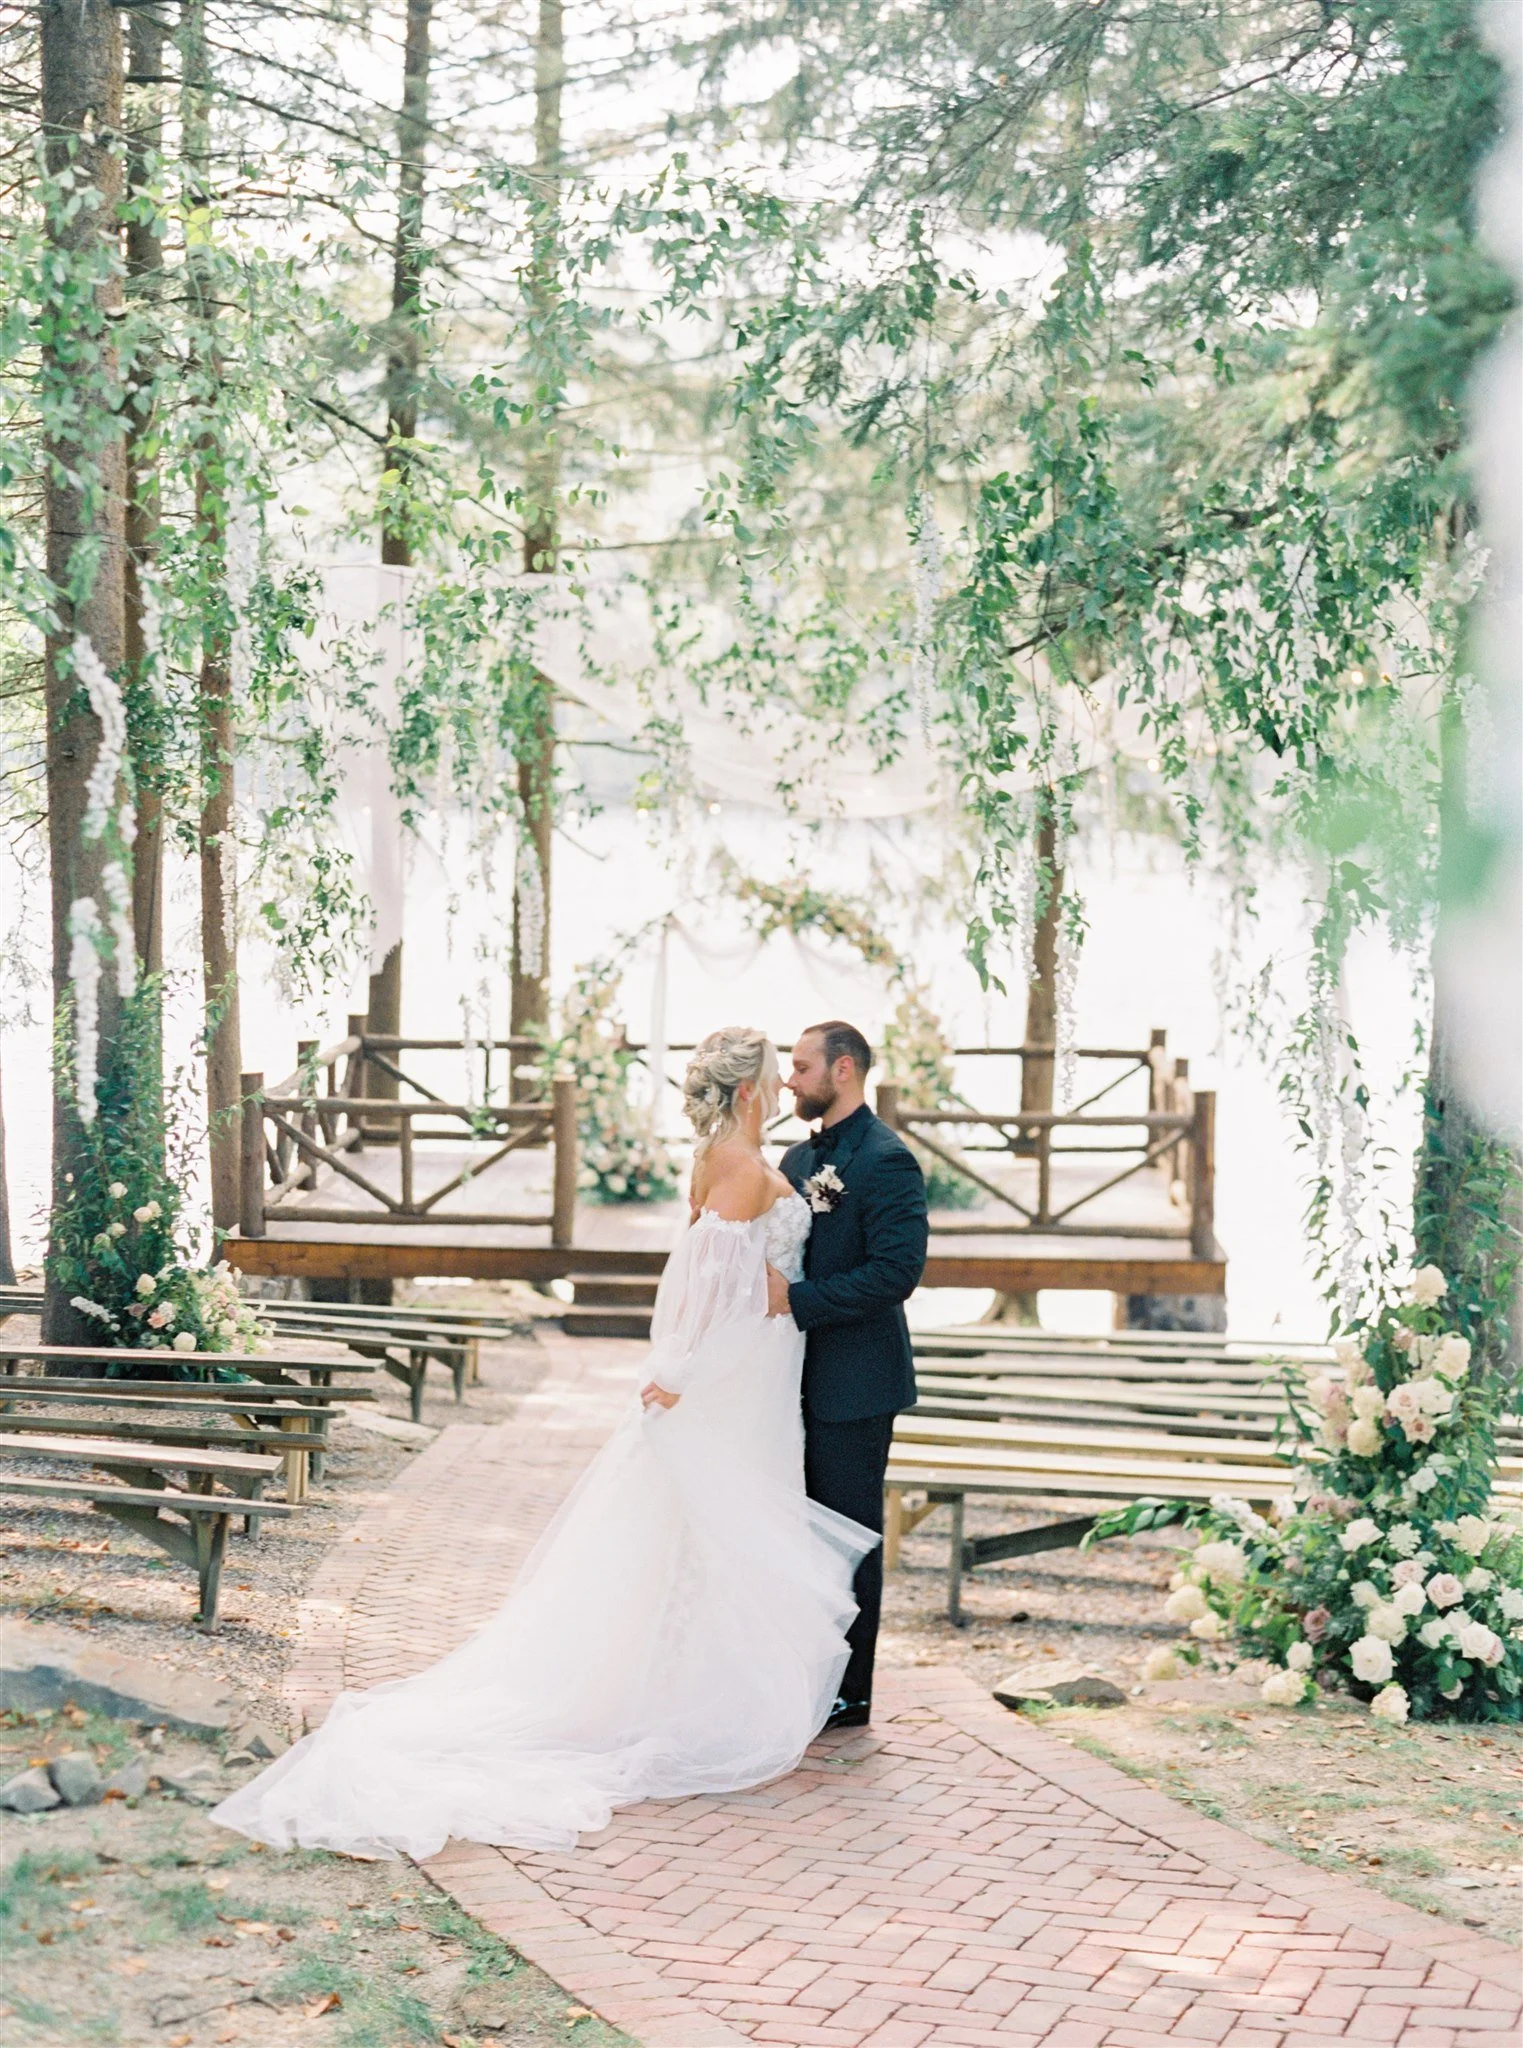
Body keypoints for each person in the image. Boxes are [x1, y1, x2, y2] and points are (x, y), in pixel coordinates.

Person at [210, 1027, 876, 1861]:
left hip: (762, 1370)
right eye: (775, 1075)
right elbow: (703, 1290)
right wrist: (683, 1372)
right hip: (735, 1375)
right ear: (747, 1091)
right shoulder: (742, 1170)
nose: (782, 1085)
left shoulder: (718, 1160)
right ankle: (685, 1699)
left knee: (705, 1529)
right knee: (714, 1523)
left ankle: (690, 1681)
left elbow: (717, 1274)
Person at [772, 1021, 929, 1729]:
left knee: (846, 1536)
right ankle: (797, 1675)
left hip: (856, 1384)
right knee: (795, 1535)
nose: (788, 1079)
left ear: (842, 1071)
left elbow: (896, 1274)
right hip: (787, 1379)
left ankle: (848, 1691)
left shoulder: (886, 1159)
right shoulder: (797, 1156)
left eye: (801, 1067)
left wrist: (798, 1302)